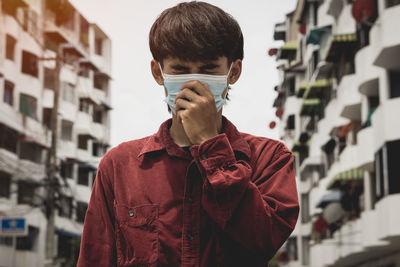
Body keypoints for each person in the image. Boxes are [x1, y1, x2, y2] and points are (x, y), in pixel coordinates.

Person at [77, 2, 299, 266]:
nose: (194, 82)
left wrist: (210, 144)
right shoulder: (119, 165)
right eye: (180, 70)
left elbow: (263, 241)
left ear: (234, 72)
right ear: (158, 72)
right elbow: (95, 259)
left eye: (208, 69)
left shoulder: (269, 158)